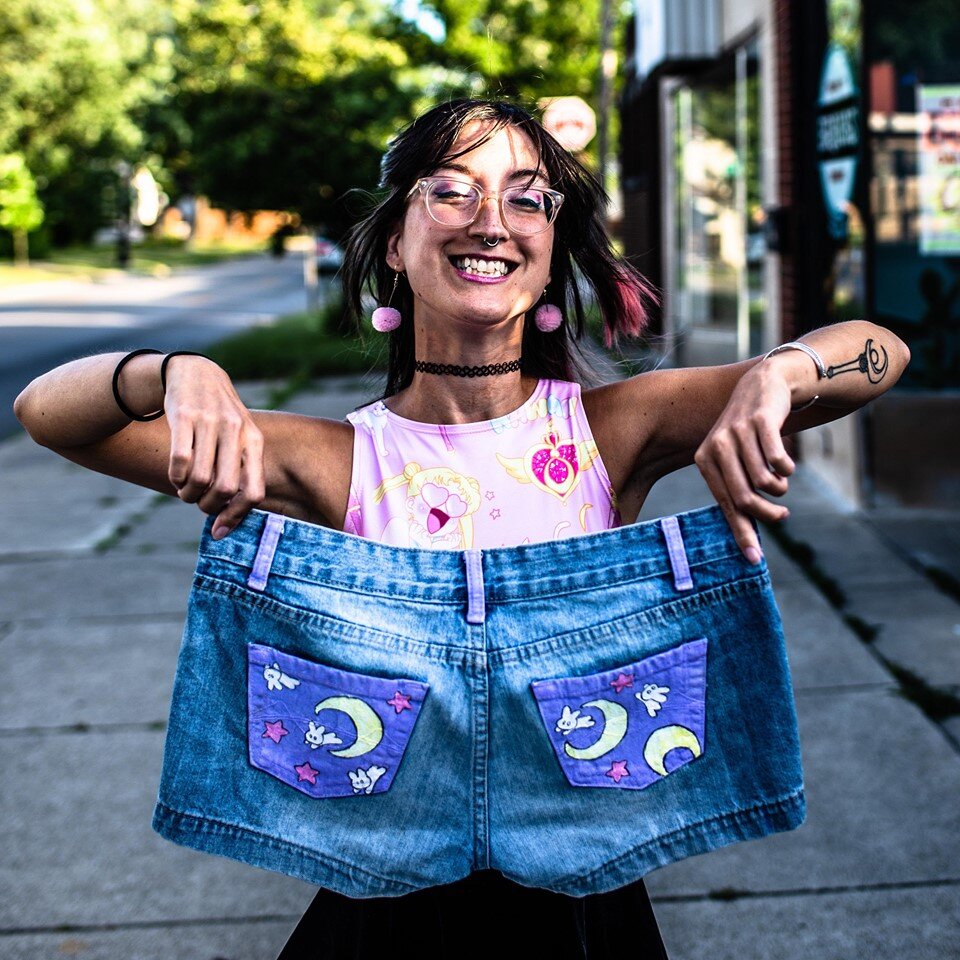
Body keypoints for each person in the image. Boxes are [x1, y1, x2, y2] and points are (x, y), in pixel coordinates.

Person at [14, 99, 910, 959]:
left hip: (587, 915)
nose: (491, 219)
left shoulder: (610, 430)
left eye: (527, 197)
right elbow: (50, 415)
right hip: (391, 914)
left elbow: (880, 353)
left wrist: (781, 373)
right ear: (395, 244)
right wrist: (168, 370)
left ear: (550, 249)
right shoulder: (336, 459)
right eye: (451, 189)